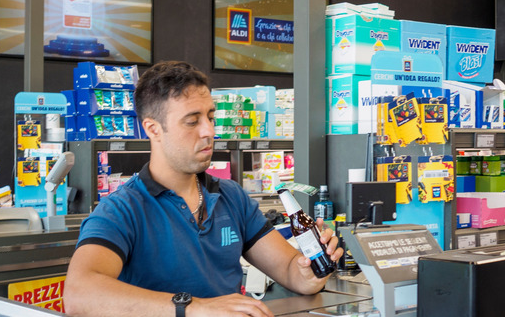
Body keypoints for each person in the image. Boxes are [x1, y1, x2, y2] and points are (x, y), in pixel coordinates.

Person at [65, 61, 342, 317]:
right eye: (192, 120)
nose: (209, 131)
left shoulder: (231, 197)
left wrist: (312, 271)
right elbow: (79, 295)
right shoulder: (121, 210)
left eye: (210, 116)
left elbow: (291, 270)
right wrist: (192, 307)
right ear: (152, 129)